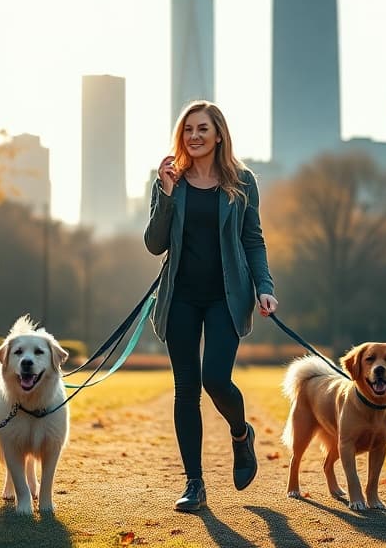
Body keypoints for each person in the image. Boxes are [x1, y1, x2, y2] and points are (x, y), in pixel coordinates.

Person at [143, 100, 278, 512]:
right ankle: (194, 483)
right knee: (186, 390)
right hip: (180, 297)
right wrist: (166, 194)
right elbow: (155, 244)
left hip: (226, 296)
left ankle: (241, 435)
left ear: (219, 134)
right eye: (188, 130)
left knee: (216, 379)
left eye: (203, 129)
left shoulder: (242, 182)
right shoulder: (170, 181)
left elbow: (252, 239)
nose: (195, 136)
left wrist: (264, 287)